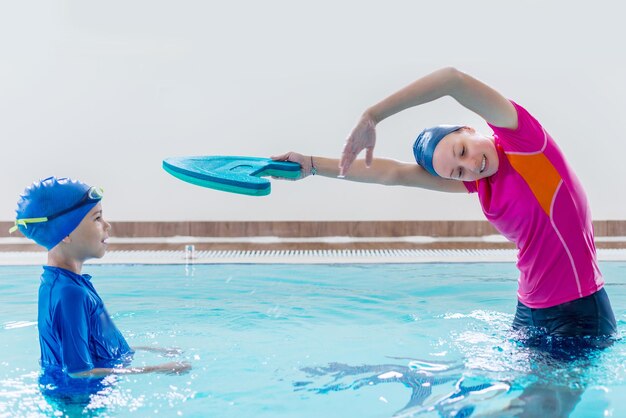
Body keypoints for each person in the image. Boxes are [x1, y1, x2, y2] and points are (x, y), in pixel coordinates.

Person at [272, 66, 617, 341]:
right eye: (457, 172)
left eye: (462, 151)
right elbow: (394, 174)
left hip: (579, 313)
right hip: (527, 309)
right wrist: (312, 165)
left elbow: (452, 80)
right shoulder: (480, 184)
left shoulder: (523, 141)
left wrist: (373, 115)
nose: (470, 166)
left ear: (469, 129)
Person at [9, 176, 191, 379]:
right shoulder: (70, 293)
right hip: (78, 402)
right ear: (65, 233)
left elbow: (97, 342)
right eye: (97, 218)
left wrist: (149, 349)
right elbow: (79, 372)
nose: (107, 225)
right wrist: (158, 369)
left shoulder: (65, 282)